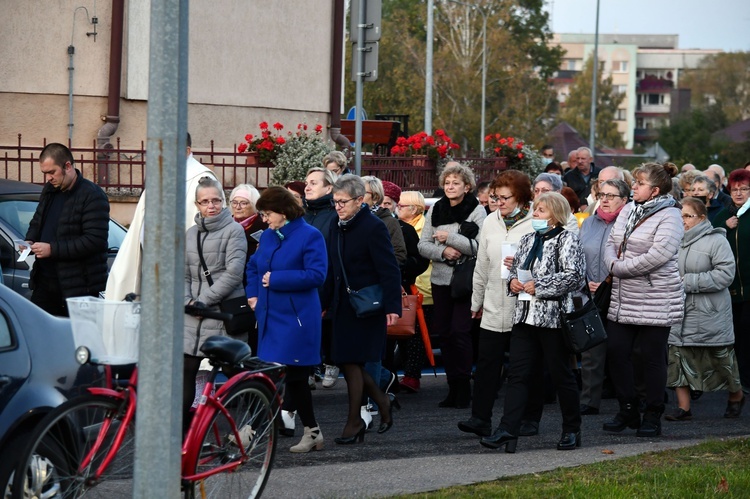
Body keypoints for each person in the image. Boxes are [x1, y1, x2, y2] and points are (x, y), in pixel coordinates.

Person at [480, 192, 585, 453]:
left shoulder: (568, 239)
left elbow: (574, 276)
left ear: (556, 215)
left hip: (554, 319)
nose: (535, 214)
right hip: (525, 317)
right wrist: (513, 281)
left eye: (541, 211)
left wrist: (539, 285)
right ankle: (507, 429)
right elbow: (516, 269)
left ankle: (572, 429)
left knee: (561, 375)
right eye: (535, 210)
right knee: (518, 374)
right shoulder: (528, 239)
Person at [602, 162, 684, 438]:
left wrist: (619, 268)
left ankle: (653, 413)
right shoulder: (629, 208)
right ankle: (628, 408)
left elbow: (658, 256)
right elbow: (611, 241)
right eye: (634, 182)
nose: (633, 187)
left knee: (651, 358)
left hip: (656, 298)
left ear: (655, 190)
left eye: (639, 184)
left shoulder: (671, 216)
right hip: (624, 297)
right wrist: (612, 262)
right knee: (616, 351)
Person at [246, 187, 328, 452]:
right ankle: (312, 432)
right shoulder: (269, 236)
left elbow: (317, 275)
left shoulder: (310, 235)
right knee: (288, 378)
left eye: (268, 214)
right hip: (270, 316)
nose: (265, 219)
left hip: (297, 320)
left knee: (283, 377)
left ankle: (252, 430)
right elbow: (253, 267)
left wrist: (276, 280)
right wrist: (253, 295)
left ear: (283, 212)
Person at [324, 175, 402, 444]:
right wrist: (324, 303)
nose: (338, 207)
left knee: (354, 361)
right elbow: (332, 268)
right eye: (334, 202)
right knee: (347, 361)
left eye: (343, 202)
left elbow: (389, 269)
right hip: (343, 306)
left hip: (368, 306)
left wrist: (393, 306)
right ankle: (382, 402)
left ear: (360, 200)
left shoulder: (373, 227)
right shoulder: (336, 224)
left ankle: (354, 420)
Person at [457, 170, 534, 438]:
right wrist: (476, 301)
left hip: (524, 306)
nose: (498, 203)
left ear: (522, 198)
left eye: (504, 198)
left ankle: (528, 418)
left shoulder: (538, 220)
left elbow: (550, 262)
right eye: (495, 197)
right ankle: (480, 418)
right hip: (492, 303)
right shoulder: (490, 221)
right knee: (487, 364)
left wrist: (524, 266)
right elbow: (482, 265)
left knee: (524, 367)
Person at [105, 133, 220, 301]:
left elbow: (207, 229)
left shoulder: (202, 179)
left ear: (187, 151)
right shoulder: (160, 176)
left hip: (179, 268)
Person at [665, 197, 743, 421]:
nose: (683, 221)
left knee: (720, 361)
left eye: (687, 216)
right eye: (679, 216)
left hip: (710, 312)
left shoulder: (716, 240)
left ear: (701, 218)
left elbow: (725, 275)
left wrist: (687, 282)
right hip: (679, 311)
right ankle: (683, 408)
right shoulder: (672, 240)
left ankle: (736, 396)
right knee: (678, 359)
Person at [418, 162, 486, 408]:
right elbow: (422, 245)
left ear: (466, 187)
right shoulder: (435, 209)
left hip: (465, 280)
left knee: (460, 332)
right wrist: (443, 251)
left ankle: (465, 386)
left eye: (455, 183)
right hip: (440, 279)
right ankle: (453, 387)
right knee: (445, 334)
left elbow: (480, 247)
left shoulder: (477, 211)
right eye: (447, 183)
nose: (450, 186)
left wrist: (452, 239)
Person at [183, 176, 247, 433]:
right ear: (197, 204)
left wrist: (203, 302)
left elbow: (233, 273)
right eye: (205, 201)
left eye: (216, 200)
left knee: (233, 371)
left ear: (223, 201)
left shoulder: (234, 230)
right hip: (192, 313)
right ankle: (182, 435)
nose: (211, 205)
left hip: (220, 313)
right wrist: (188, 301)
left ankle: (252, 419)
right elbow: (184, 274)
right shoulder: (190, 234)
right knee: (186, 369)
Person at [24, 142, 109, 316]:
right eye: (44, 173)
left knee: (78, 341)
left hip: (78, 289)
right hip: (44, 282)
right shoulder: (50, 190)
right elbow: (37, 220)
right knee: (39, 334)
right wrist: (29, 240)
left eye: (51, 172)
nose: (48, 178)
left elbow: (94, 241)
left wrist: (52, 249)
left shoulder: (92, 195)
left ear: (68, 166)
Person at [578, 178, 630, 416]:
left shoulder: (631, 224)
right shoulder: (588, 223)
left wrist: (610, 281)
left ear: (625, 200)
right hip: (590, 294)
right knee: (591, 350)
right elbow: (577, 257)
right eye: (603, 195)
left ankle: (628, 402)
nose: (606, 199)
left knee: (623, 351)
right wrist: (584, 281)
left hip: (621, 294)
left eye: (611, 195)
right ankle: (589, 400)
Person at [712, 168, 750, 393]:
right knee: (733, 332)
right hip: (728, 286)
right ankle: (733, 379)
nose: (738, 193)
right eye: (735, 189)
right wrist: (725, 227)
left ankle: (745, 379)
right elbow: (708, 236)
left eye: (744, 189)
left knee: (747, 330)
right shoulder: (722, 215)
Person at [303, 167, 341, 390]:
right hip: (304, 280)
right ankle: (308, 368)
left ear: (329, 187)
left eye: (314, 183)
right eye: (307, 182)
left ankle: (331, 362)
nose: (307, 186)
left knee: (326, 326)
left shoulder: (335, 215)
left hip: (327, 280)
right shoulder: (302, 215)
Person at [396, 191, 432, 393]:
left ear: (415, 209)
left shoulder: (424, 228)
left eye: (402, 205)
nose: (398, 208)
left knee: (416, 335)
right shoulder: (398, 226)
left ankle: (412, 376)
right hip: (407, 288)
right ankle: (406, 374)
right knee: (403, 331)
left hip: (423, 289)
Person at [228, 184, 266, 352]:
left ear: (254, 205)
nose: (237, 207)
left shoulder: (263, 227)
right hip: (229, 286)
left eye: (243, 203)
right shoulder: (226, 225)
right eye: (234, 202)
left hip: (252, 286)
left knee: (252, 331)